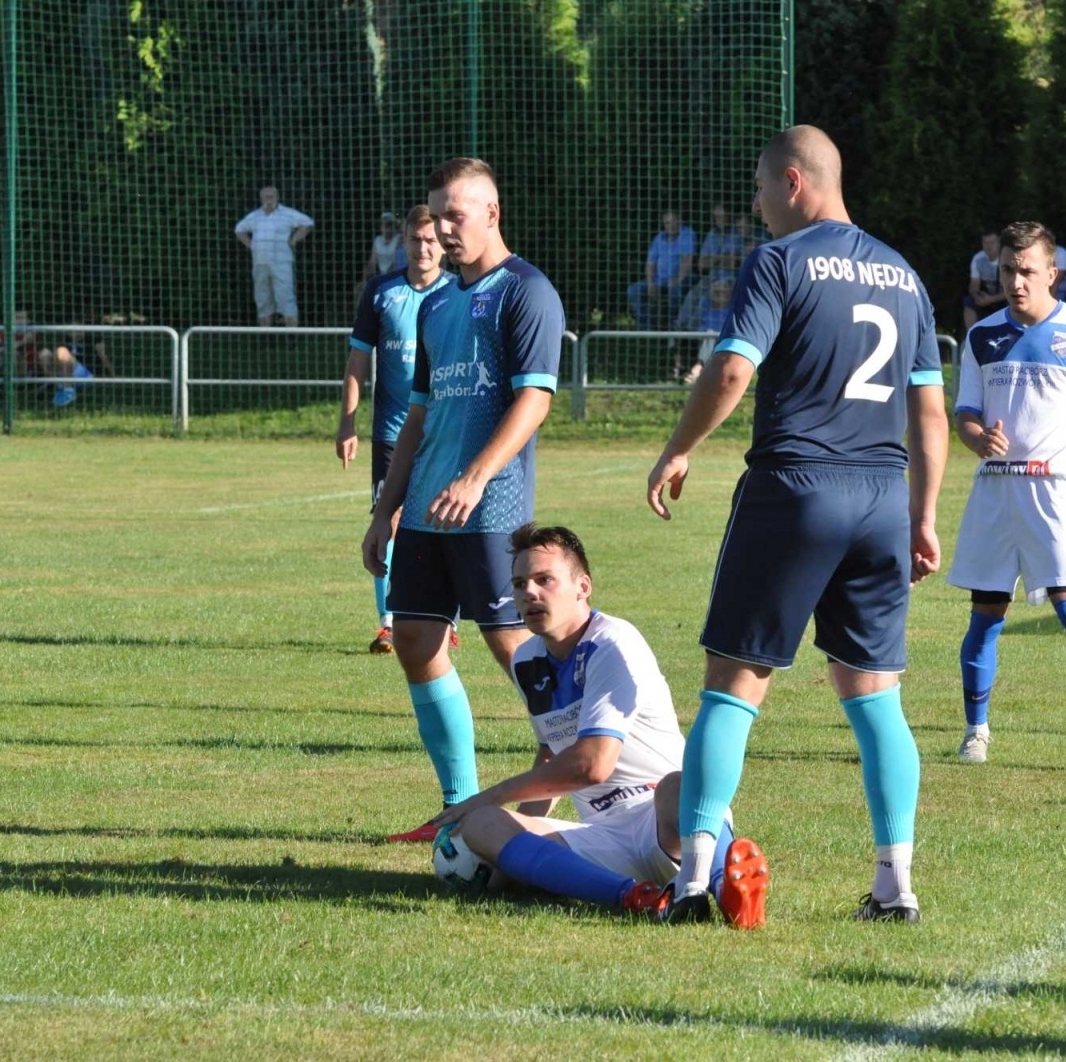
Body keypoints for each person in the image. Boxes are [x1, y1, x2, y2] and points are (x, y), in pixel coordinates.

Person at [645, 126, 949, 924]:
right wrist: (922, 515)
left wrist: (679, 447)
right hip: (881, 498)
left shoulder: (779, 262)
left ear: (793, 181)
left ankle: (693, 881)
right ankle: (895, 885)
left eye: (759, 189)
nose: (756, 207)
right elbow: (929, 411)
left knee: (733, 686)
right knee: (876, 697)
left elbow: (732, 368)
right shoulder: (904, 274)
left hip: (796, 486)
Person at [361, 156, 565, 843]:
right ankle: (458, 806)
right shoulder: (438, 304)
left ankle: (570, 775)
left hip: (491, 507)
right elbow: (418, 415)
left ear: (491, 213)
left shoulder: (525, 291)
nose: (446, 228)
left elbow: (534, 399)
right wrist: (385, 509)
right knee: (416, 641)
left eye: (456, 214)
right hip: (426, 508)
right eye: (438, 215)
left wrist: (476, 477)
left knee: (517, 650)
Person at [429, 523, 769, 928]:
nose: (529, 593)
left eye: (544, 580)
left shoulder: (613, 642)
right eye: (519, 584)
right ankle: (635, 897)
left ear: (583, 587)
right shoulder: (526, 660)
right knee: (482, 825)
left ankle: (724, 885)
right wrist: (514, 833)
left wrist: (489, 795)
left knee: (677, 786)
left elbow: (592, 765)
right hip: (603, 835)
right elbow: (551, 753)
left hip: (667, 821)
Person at [949, 221, 1066, 777]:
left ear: (1053, 273)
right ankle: (975, 733)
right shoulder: (982, 335)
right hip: (994, 492)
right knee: (985, 616)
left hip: (1054, 492)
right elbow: (965, 413)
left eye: (1027, 271)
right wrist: (977, 438)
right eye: (1007, 270)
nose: (1015, 281)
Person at [338, 205, 452, 654]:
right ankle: (388, 622)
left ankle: (446, 620)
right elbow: (358, 360)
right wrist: (347, 422)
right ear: (403, 242)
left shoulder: (458, 292)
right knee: (386, 521)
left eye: (431, 241)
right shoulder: (381, 291)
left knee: (444, 523)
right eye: (415, 240)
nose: (422, 248)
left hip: (443, 431)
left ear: (443, 245)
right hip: (390, 431)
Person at [233, 186, 314, 327]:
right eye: (266, 197)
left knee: (285, 296)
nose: (269, 200)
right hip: (260, 263)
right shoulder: (254, 216)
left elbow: (308, 223)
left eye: (271, 197)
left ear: (277, 197)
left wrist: (294, 240)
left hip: (282, 263)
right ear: (261, 198)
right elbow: (239, 229)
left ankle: (292, 334)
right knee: (262, 298)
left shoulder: (287, 214)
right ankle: (265, 334)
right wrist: (251, 245)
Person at [676, 204, 745, 328]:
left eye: (722, 217)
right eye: (717, 217)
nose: (719, 220)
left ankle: (691, 331)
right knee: (693, 294)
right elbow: (701, 265)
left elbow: (734, 263)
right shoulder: (711, 235)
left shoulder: (737, 234)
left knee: (705, 299)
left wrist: (712, 259)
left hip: (731, 279)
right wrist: (721, 258)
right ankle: (679, 327)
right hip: (712, 277)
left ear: (729, 217)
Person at [626, 210, 696, 332]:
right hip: (659, 280)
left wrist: (676, 280)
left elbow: (687, 261)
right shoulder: (659, 238)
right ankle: (646, 329)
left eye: (673, 222)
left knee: (675, 291)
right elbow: (650, 263)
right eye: (667, 223)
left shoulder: (687, 234)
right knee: (633, 290)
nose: (670, 226)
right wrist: (650, 283)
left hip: (682, 278)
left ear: (680, 221)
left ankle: (672, 328)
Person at [962, 231, 1005, 330]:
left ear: (998, 243)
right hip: (985, 296)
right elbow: (974, 285)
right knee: (968, 302)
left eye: (992, 243)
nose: (988, 246)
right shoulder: (978, 259)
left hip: (1003, 298)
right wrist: (977, 296)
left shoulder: (1006, 259)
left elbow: (1012, 289)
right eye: (985, 243)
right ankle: (972, 333)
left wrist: (992, 299)